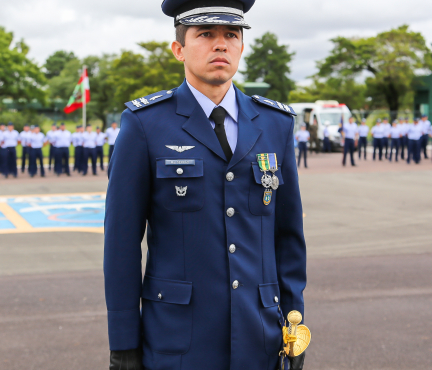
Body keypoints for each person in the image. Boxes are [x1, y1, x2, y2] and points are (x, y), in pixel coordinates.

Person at [104, 1, 308, 369]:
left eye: (231, 35)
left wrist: (294, 324)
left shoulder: (276, 124)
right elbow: (121, 244)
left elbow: (288, 235)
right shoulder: (146, 124)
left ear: (242, 47)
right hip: (177, 340)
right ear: (178, 49)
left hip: (259, 336)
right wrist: (123, 344)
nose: (221, 44)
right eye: (206, 35)